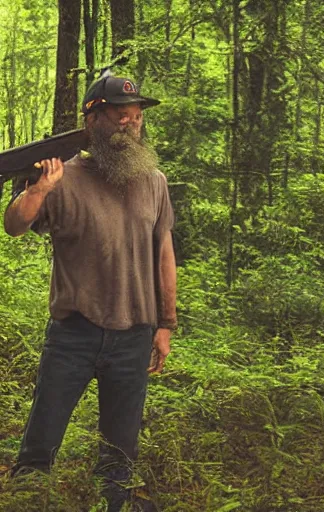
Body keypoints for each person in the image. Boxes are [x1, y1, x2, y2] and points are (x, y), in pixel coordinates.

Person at [4, 73, 176, 511]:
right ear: (93, 118)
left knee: (120, 452)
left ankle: (113, 505)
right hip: (73, 333)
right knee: (40, 444)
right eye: (120, 115)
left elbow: (163, 254)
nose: (129, 123)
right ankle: (26, 501)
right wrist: (39, 189)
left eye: (135, 117)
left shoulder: (154, 181)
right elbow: (15, 225)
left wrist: (166, 323)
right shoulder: (64, 177)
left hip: (135, 334)